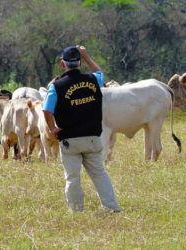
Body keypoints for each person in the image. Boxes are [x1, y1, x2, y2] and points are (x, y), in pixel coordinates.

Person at [42, 45, 121, 212]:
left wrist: (52, 128)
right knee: (99, 174)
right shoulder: (93, 80)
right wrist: (86, 56)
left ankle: (76, 210)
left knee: (72, 178)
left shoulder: (56, 86)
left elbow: (47, 110)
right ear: (79, 63)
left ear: (63, 64)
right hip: (92, 138)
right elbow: (100, 73)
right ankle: (112, 208)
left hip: (70, 140)